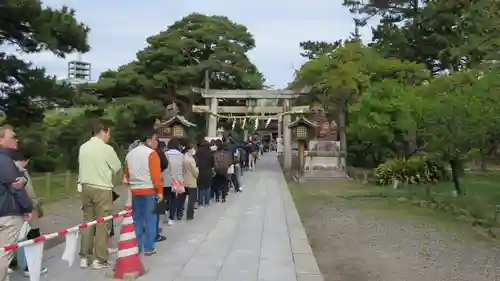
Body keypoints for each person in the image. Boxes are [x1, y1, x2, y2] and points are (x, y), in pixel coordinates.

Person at [78, 120, 121, 269]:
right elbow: (117, 167)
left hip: (85, 187)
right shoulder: (106, 149)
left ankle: (84, 257)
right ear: (103, 131)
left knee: (87, 223)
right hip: (102, 188)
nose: (109, 136)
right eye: (108, 133)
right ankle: (100, 259)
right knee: (102, 223)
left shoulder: (83, 147)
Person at [0, 125, 33, 281]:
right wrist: (28, 207)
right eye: (12, 137)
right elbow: (16, 186)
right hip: (8, 213)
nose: (16, 140)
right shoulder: (4, 160)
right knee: (3, 256)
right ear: (1, 140)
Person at [9, 150, 48, 277]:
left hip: (14, 210)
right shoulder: (20, 172)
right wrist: (30, 207)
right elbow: (26, 193)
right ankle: (30, 267)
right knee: (33, 238)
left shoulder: (9, 171)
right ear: (25, 160)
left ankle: (12, 263)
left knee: (13, 237)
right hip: (26, 210)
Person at [124, 128, 163, 256]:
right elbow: (156, 176)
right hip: (149, 190)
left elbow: (127, 174)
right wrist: (160, 192)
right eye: (155, 139)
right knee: (151, 219)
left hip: (135, 191)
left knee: (137, 219)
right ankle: (149, 248)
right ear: (148, 140)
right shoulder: (152, 154)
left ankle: (137, 246)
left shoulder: (129, 154)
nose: (156, 142)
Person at [163, 138, 184, 225]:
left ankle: (166, 209)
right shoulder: (181, 155)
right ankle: (171, 218)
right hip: (178, 180)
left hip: (166, 178)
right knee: (175, 198)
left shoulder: (165, 154)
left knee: (166, 197)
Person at [155, 141, 168, 243]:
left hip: (139, 186)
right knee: (156, 210)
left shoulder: (135, 152)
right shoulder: (158, 152)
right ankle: (155, 234)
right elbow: (165, 164)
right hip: (156, 183)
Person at [182, 141, 199, 220]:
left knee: (181, 198)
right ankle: (189, 215)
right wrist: (197, 171)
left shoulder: (183, 157)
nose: (194, 150)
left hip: (184, 180)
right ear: (189, 149)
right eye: (193, 149)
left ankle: (179, 213)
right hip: (191, 181)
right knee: (191, 200)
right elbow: (195, 173)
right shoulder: (191, 160)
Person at [195, 140, 213, 206]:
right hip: (208, 171)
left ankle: (200, 201)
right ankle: (207, 201)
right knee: (208, 187)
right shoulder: (210, 152)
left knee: (201, 187)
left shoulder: (197, 152)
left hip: (200, 171)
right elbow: (212, 163)